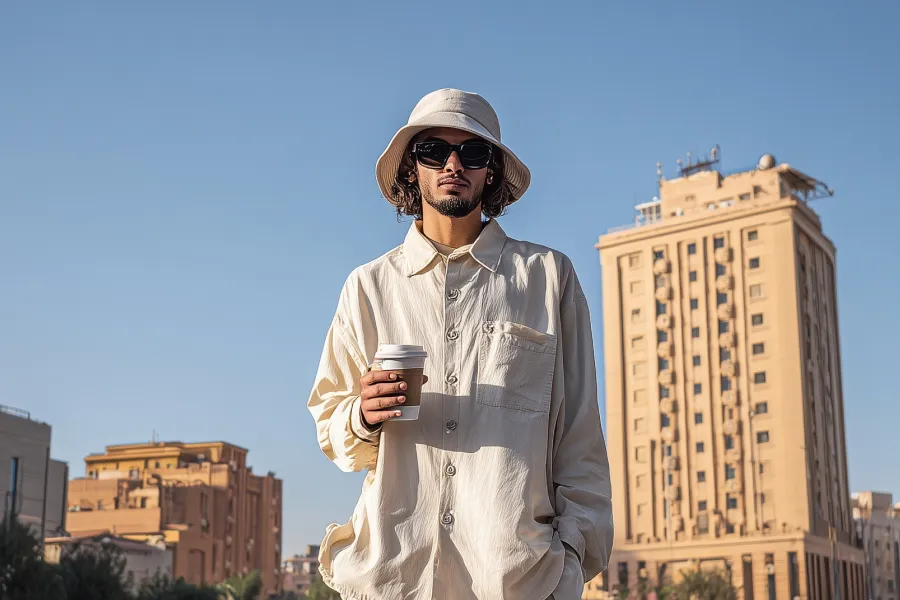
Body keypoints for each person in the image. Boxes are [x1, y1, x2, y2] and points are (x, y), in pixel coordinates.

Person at [308, 88, 613, 600]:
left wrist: (571, 563)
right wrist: (362, 415)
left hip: (516, 580)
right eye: (434, 151)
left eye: (472, 153)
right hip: (393, 578)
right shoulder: (368, 287)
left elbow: (579, 436)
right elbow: (330, 425)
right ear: (412, 168)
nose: (454, 164)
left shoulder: (546, 278)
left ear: (490, 171)